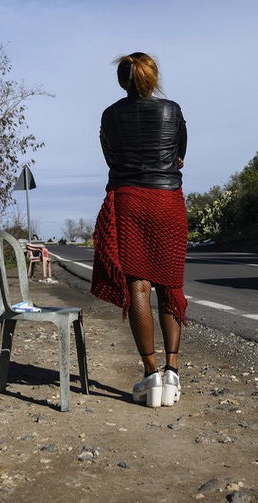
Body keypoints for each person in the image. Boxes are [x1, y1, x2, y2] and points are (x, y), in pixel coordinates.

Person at [90, 52, 188, 408]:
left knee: (139, 286)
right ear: (153, 77)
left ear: (123, 80)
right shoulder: (172, 111)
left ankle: (151, 375)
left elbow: (111, 158)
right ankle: (173, 373)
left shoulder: (109, 115)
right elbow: (180, 157)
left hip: (129, 201)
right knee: (170, 286)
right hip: (168, 201)